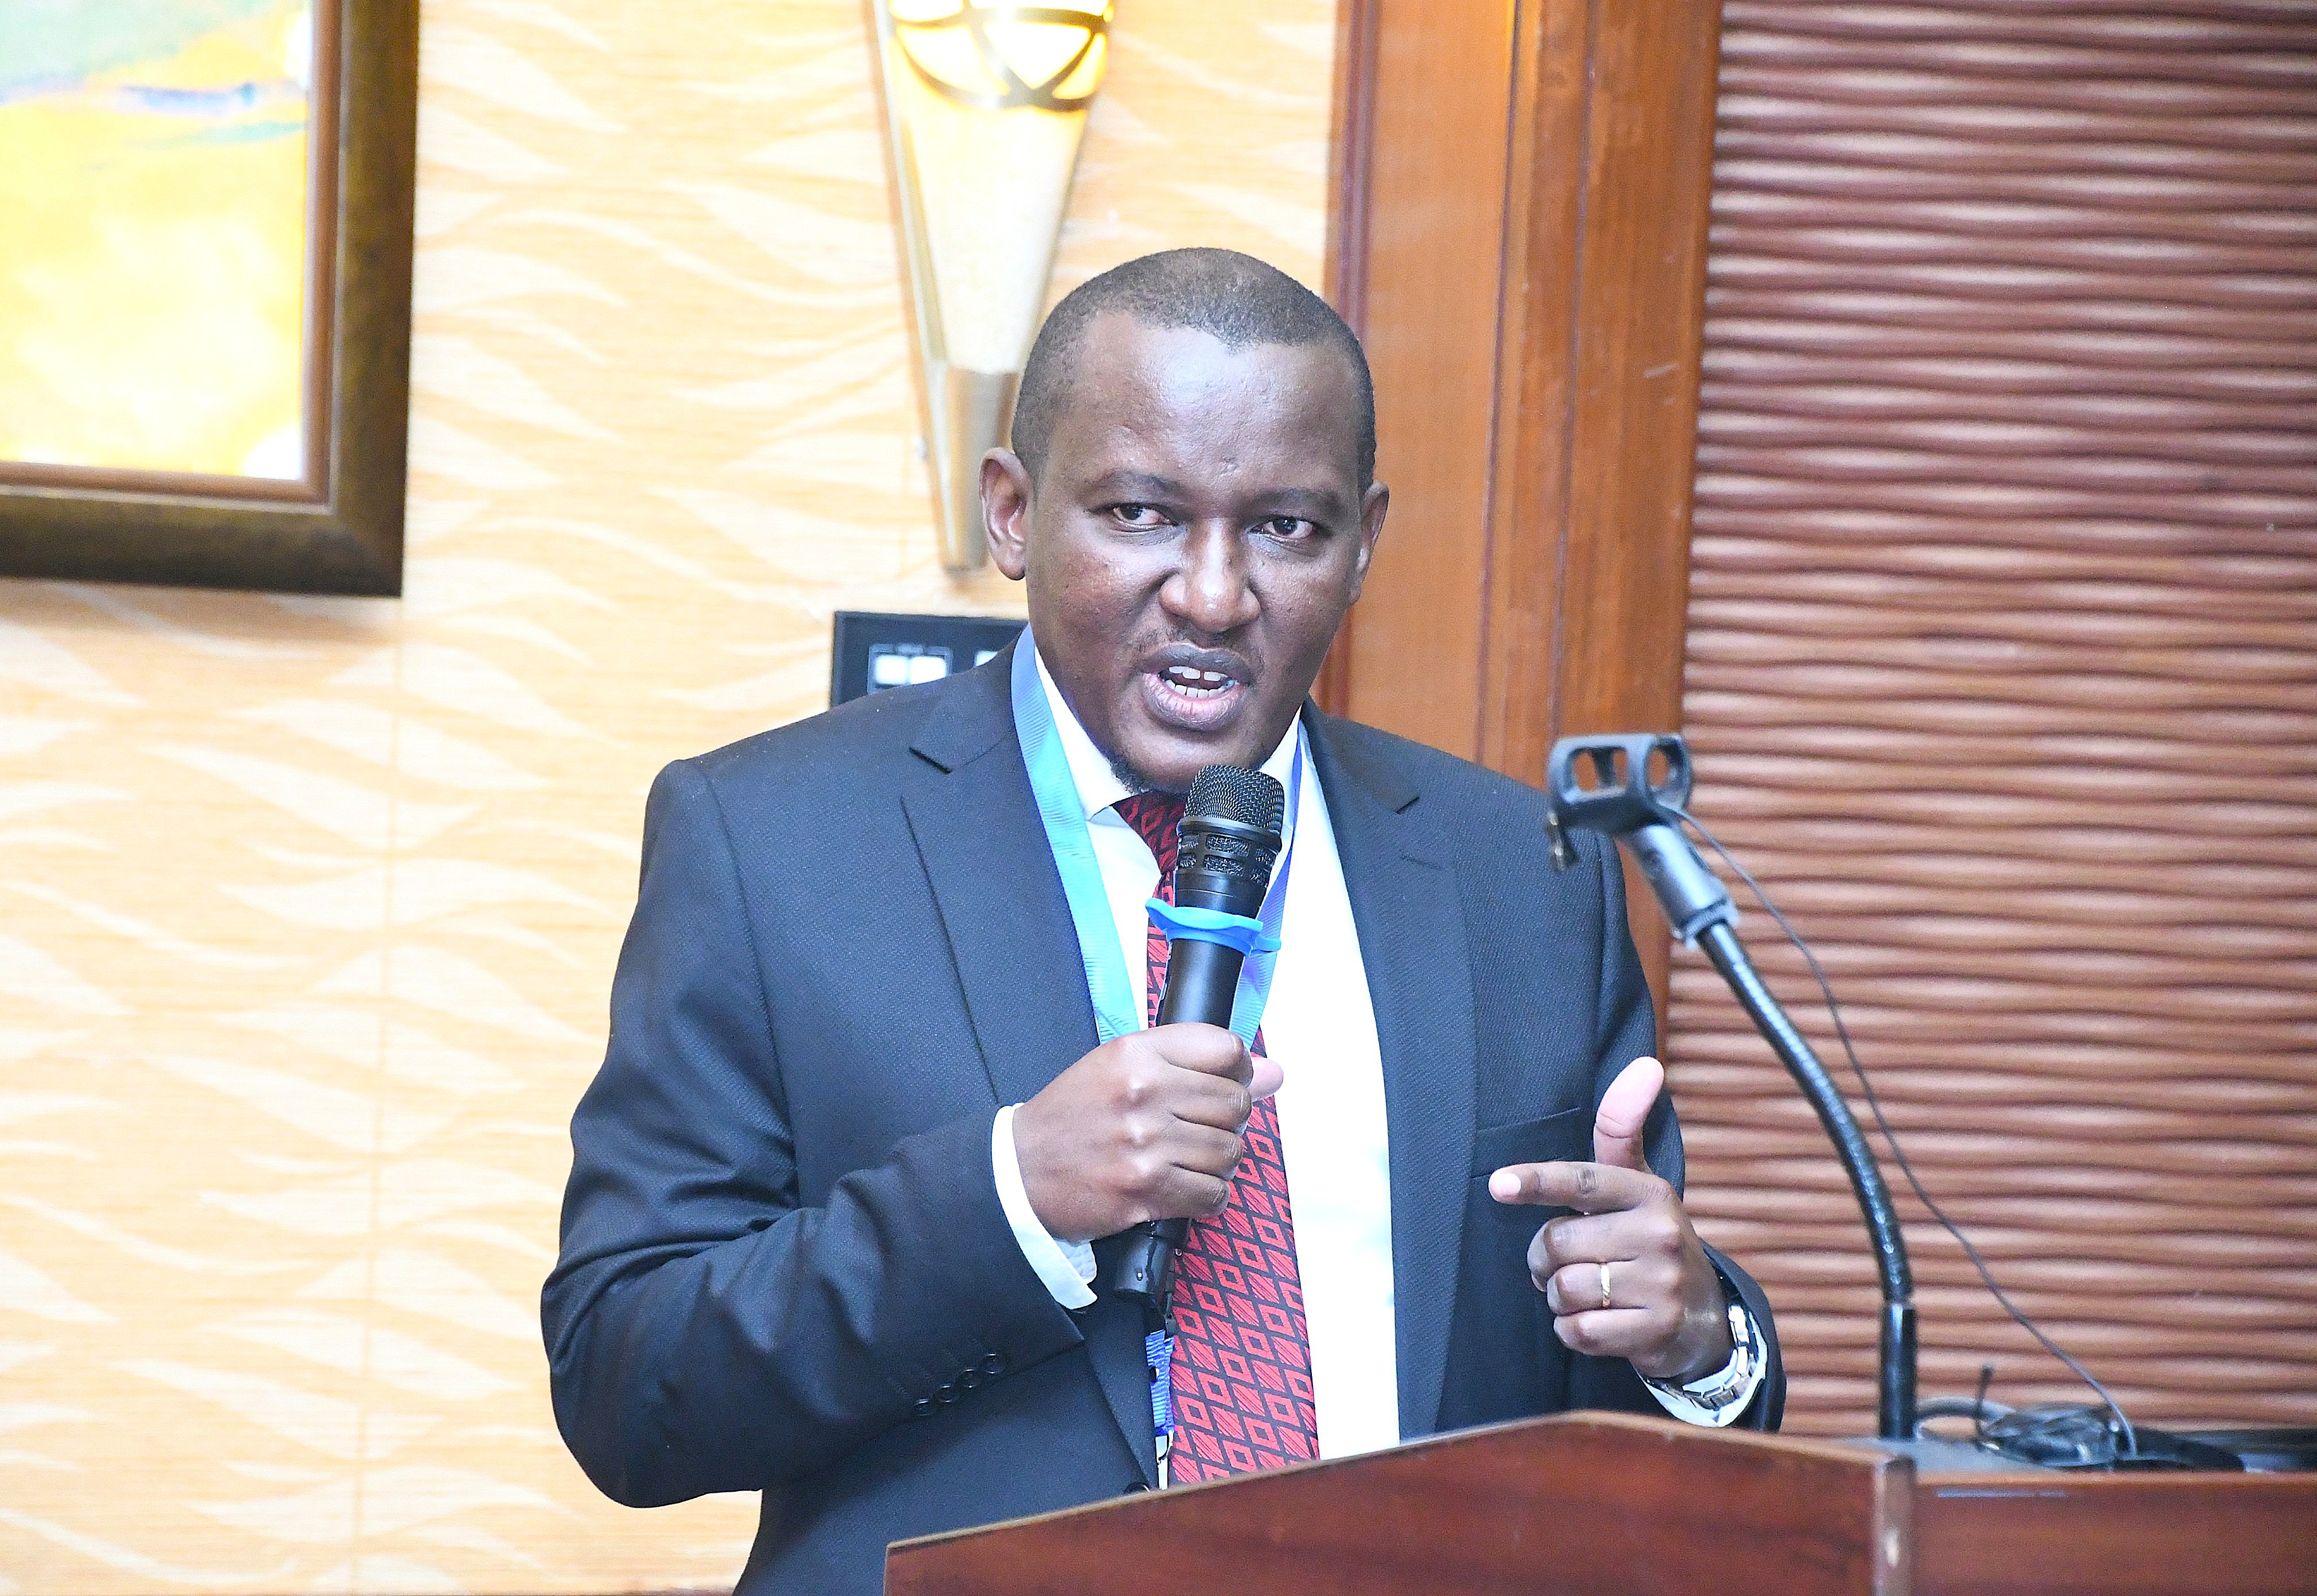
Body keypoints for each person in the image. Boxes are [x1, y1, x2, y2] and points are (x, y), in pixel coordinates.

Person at [544, 249, 1783, 1594]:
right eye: (1140, 514)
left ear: (1364, 541)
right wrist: (1015, 1193)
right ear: (1014, 513)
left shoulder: (1521, 873)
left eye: (1286, 529)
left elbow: (1624, 1412)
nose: (1212, 592)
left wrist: (1694, 1346)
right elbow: (627, 1382)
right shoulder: (774, 839)